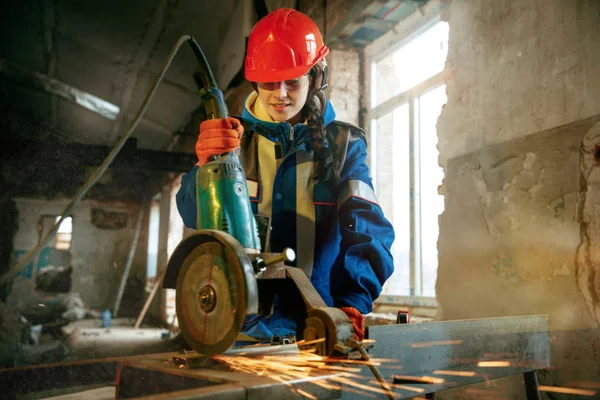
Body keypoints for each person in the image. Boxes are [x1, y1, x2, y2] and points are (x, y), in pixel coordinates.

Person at [176, 8, 395, 342]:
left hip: (319, 326)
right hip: (238, 326)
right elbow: (194, 215)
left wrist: (352, 302)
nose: (280, 93)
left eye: (292, 81)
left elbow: (367, 230)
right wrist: (206, 167)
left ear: (315, 77)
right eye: (269, 82)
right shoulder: (230, 141)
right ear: (254, 80)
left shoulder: (344, 145)